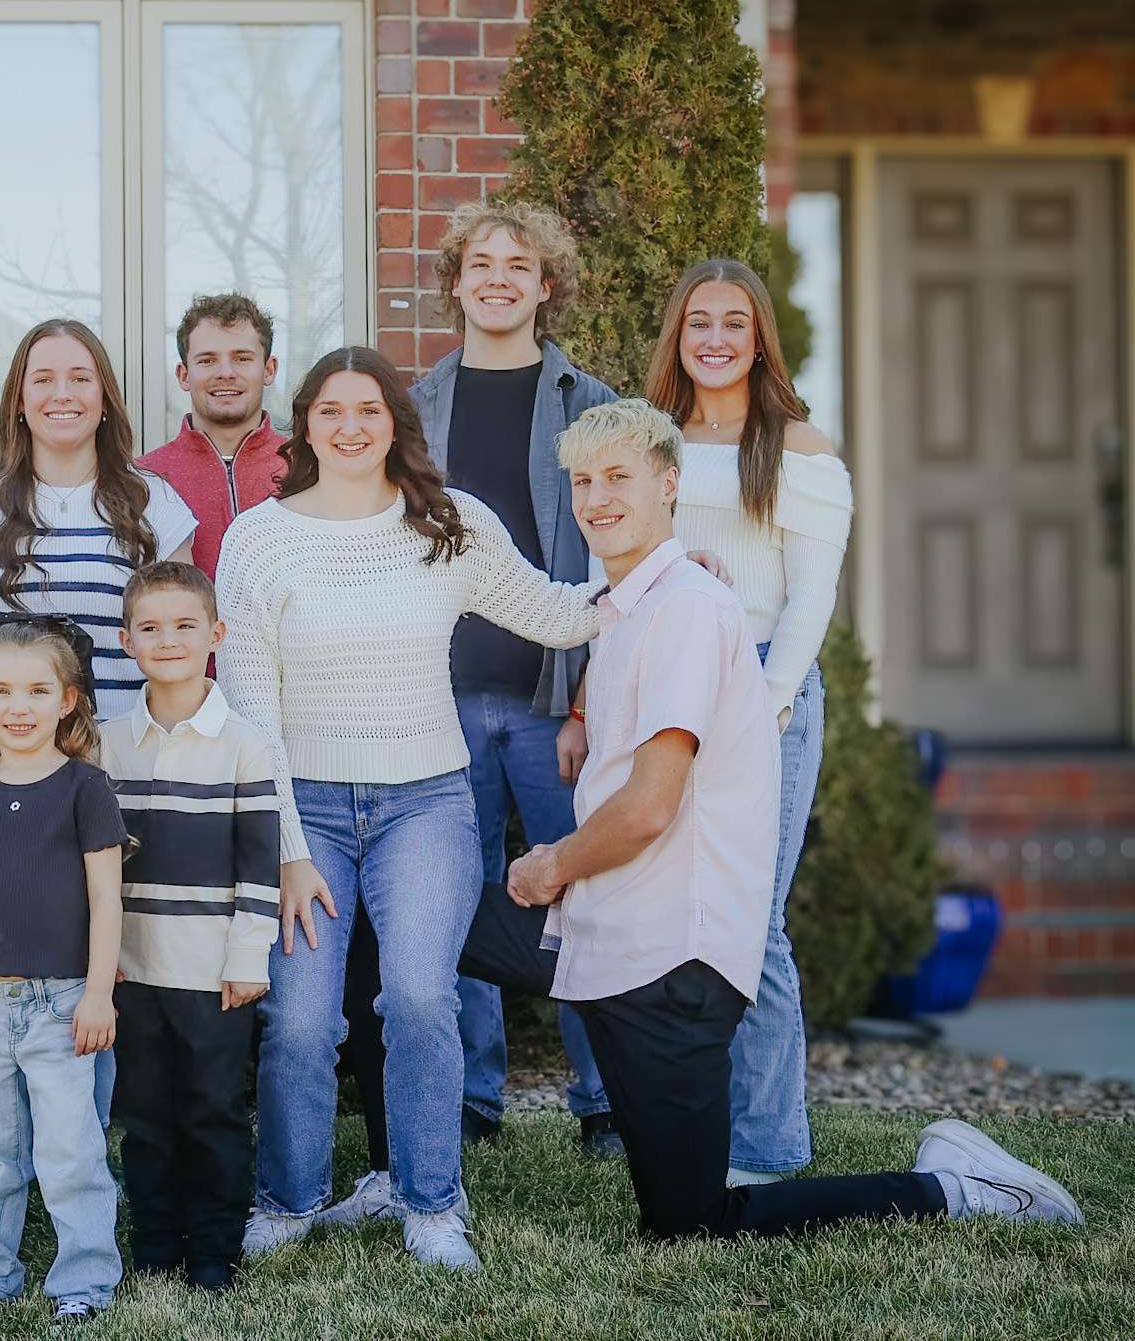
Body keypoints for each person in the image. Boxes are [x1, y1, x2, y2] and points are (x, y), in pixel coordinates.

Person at [458, 398, 1080, 1244]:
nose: (596, 498)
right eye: (582, 481)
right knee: (411, 920)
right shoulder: (635, 602)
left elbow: (646, 808)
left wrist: (549, 863)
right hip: (607, 931)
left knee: (689, 1223)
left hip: (669, 961)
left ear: (669, 483)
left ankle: (959, 1188)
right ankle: (402, 1178)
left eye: (618, 478)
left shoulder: (685, 609)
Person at [216, 345, 604, 1271]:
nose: (351, 427)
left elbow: (555, 612)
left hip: (426, 804)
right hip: (303, 806)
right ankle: (290, 1196)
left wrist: (654, 572)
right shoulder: (259, 540)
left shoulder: (450, 526)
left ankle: (428, 1198)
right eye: (332, 411)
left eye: (371, 410)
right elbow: (250, 708)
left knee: (423, 998)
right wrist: (287, 848)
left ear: (397, 423)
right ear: (305, 423)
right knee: (303, 1021)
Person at [646, 258, 853, 1188]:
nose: (716, 338)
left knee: (751, 923)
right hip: (666, 705)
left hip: (765, 708)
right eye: (699, 322)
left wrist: (762, 709)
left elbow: (809, 605)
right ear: (678, 337)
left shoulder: (800, 450)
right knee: (675, 919)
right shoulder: (652, 440)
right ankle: (695, 1128)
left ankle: (769, 1150)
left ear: (760, 336)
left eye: (735, 321)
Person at [0, 620, 127, 1322]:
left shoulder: (84, 788)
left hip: (62, 1003)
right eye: (2, 690)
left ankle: (84, 1279)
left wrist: (98, 992)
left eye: (38, 690)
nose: (20, 706)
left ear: (67, 700)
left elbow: (106, 897)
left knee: (69, 1152)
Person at [98, 561, 278, 1293]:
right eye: (150, 627)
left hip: (213, 973)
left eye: (184, 625)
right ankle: (154, 1243)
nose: (168, 639)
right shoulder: (108, 744)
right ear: (126, 640)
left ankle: (212, 1251)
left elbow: (260, 865)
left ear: (216, 634)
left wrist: (249, 956)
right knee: (144, 1116)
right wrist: (99, 957)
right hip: (132, 969)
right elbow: (94, 865)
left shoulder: (243, 743)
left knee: (212, 1111)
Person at [0, 318, 199, 722]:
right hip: (8, 761)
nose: (62, 394)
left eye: (80, 379)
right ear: (19, 400)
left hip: (126, 757)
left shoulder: (153, 502)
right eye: (42, 380)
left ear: (105, 398)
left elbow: (182, 645)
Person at [135, 294, 289, 580]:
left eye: (242, 358)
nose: (226, 373)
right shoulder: (143, 479)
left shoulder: (307, 467)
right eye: (207, 361)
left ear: (269, 370)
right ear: (183, 375)